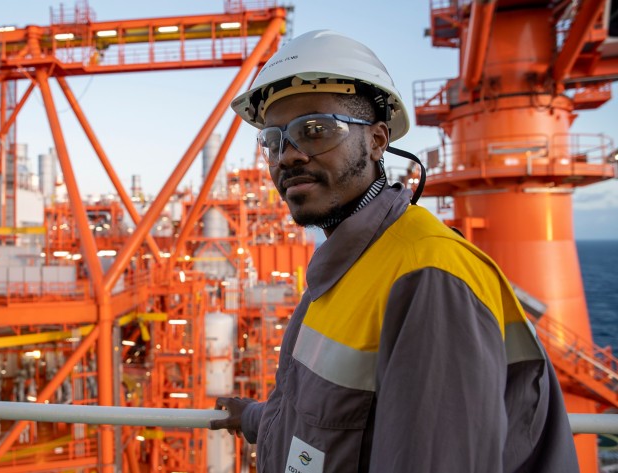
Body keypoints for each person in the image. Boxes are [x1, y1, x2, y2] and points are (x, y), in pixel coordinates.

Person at [209, 30, 578, 473]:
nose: (287, 157)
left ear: (378, 140)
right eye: (273, 140)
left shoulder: (428, 279)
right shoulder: (352, 265)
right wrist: (252, 418)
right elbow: (331, 417)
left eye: (315, 131)